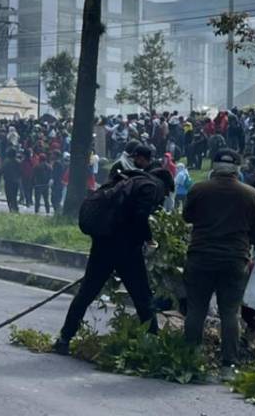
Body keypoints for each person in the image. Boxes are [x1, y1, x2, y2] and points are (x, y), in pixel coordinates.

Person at [53, 145, 170, 355]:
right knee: (142, 297)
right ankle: (154, 345)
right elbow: (141, 216)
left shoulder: (125, 179)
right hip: (127, 249)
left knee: (86, 293)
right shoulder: (152, 187)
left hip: (102, 243)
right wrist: (149, 240)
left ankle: (64, 338)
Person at [182, 149, 255, 378]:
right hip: (235, 259)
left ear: (214, 166)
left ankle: (190, 360)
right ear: (238, 168)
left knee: (196, 309)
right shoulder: (251, 194)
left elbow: (187, 217)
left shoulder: (199, 189)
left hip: (200, 257)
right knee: (230, 312)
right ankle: (229, 365)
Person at [0, 148, 21, 213]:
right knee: (14, 195)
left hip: (8, 181)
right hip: (16, 181)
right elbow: (21, 171)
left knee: (9, 196)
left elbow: (2, 169)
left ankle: (11, 209)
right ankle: (15, 208)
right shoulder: (18, 161)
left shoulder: (6, 162)